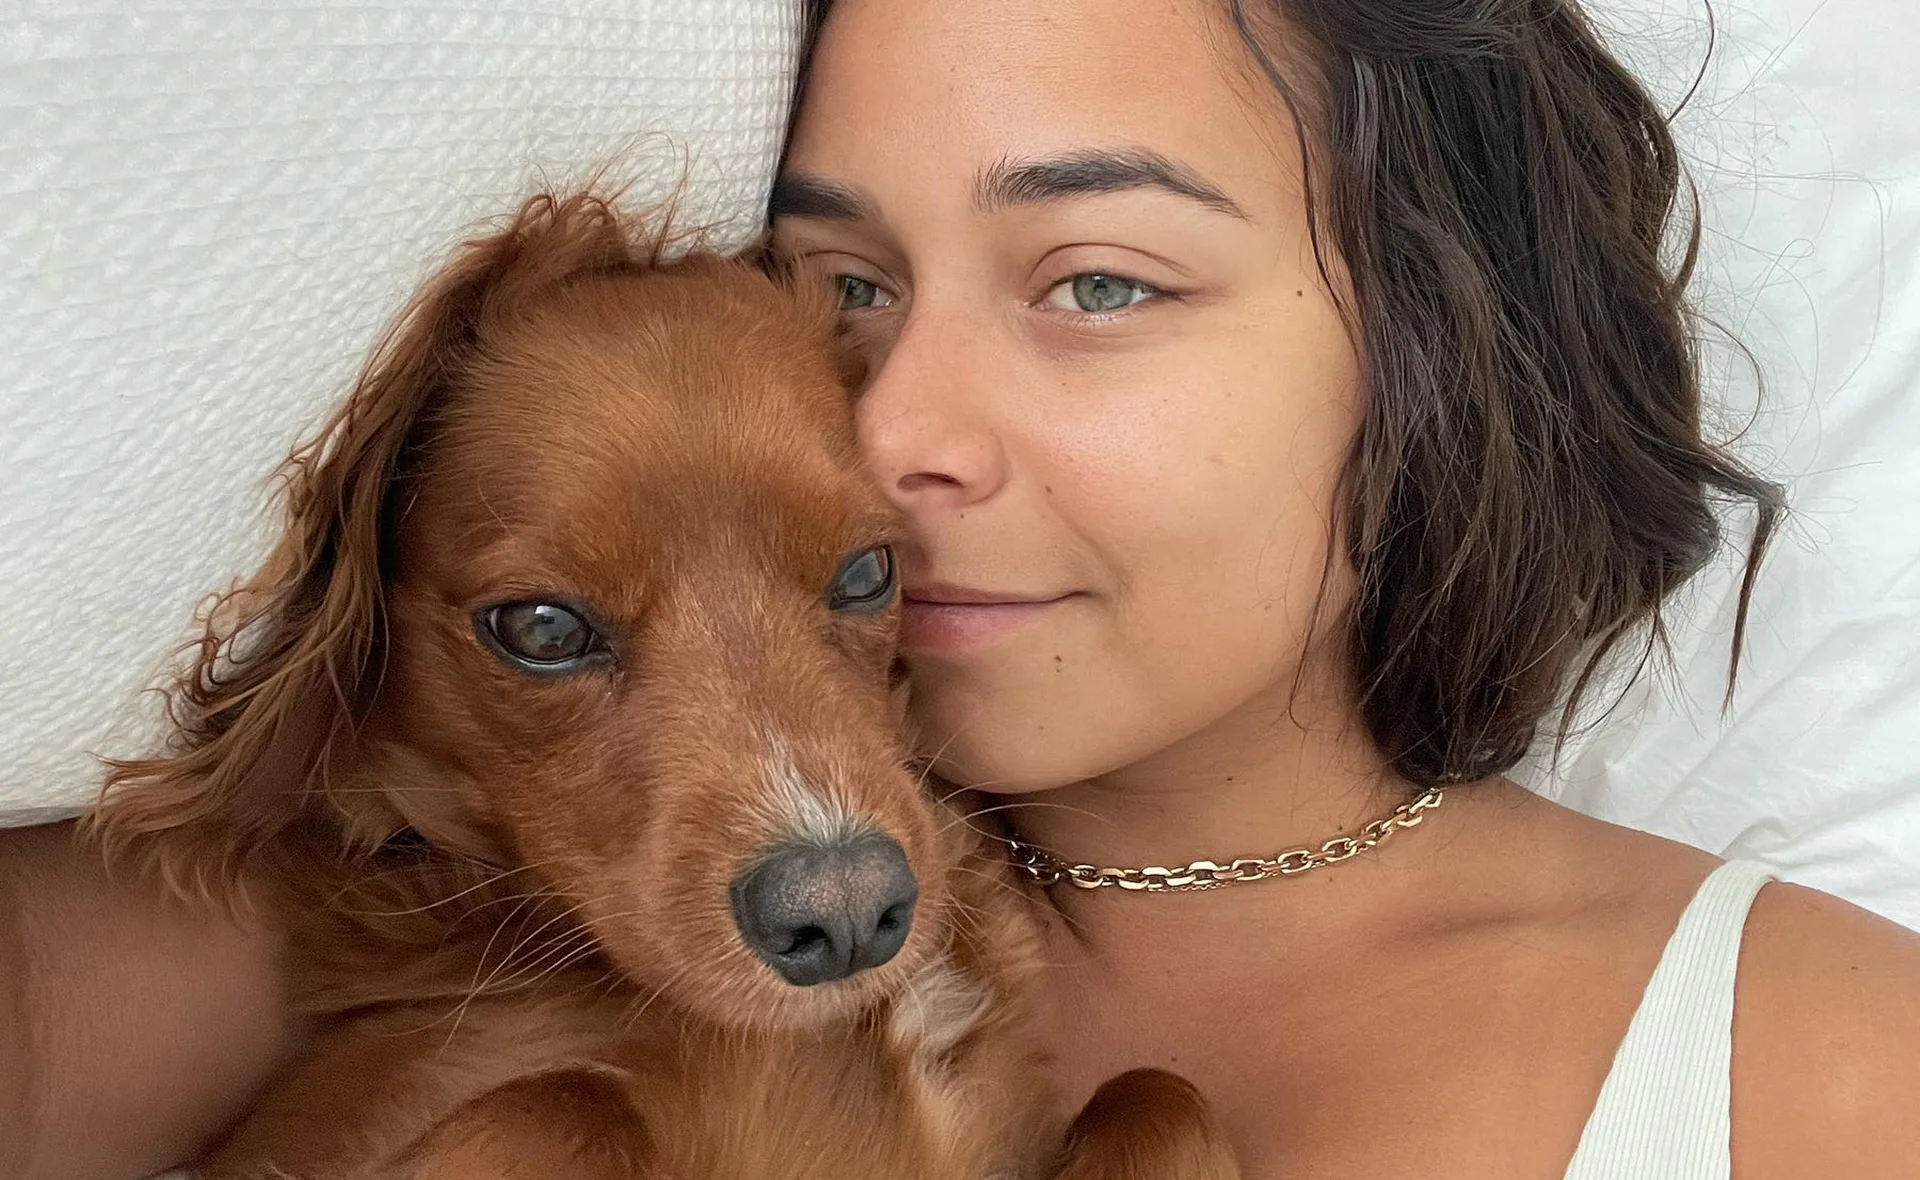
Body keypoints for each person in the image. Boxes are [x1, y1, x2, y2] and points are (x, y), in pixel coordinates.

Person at [5, 1, 1919, 1177]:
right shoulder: (417, 884)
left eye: (1098, 278)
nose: (891, 425)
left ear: (1446, 337)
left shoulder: (1825, 1065)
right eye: (837, 290)